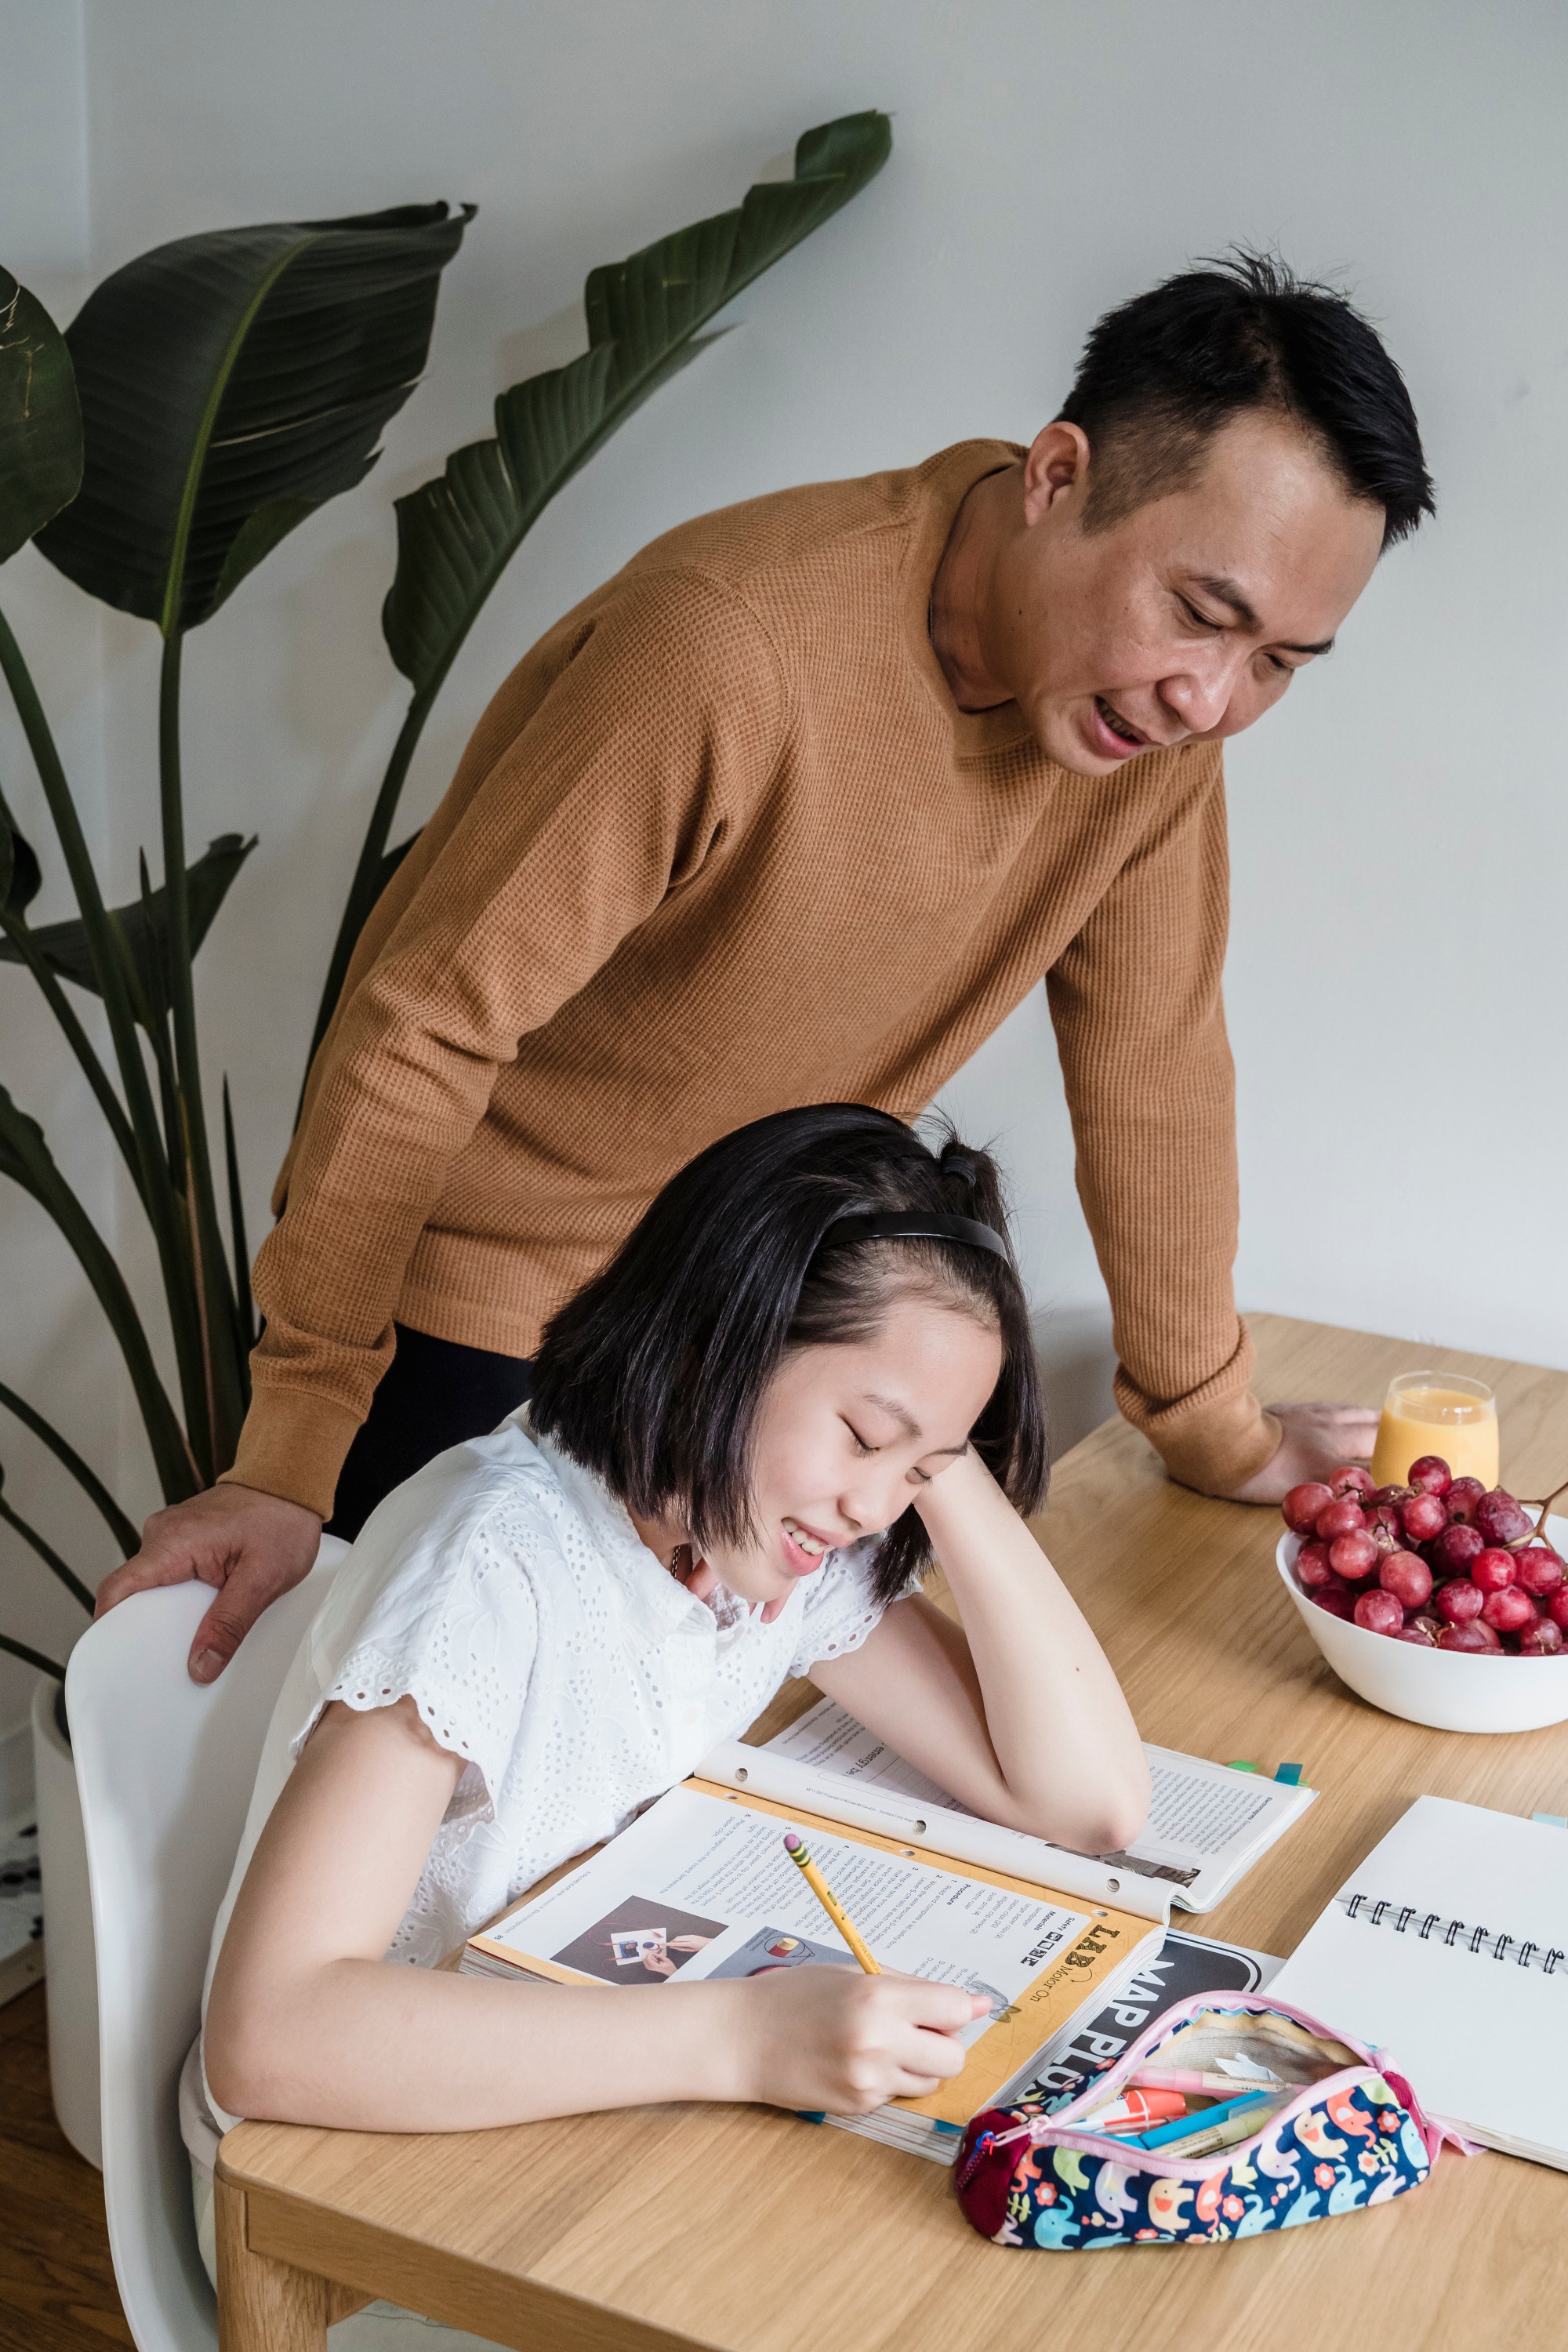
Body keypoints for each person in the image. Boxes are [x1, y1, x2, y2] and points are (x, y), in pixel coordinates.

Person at [100, 252, 1436, 1682]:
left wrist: (1211, 1420)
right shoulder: (727, 645)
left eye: (1282, 663)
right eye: (1201, 613)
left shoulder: (1149, 733)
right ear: (1058, 475)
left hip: (747, 1332)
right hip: (478, 1326)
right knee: (435, 1829)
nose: (1215, 700)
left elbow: (1154, 1065)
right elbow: (426, 1027)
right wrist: (294, 1449)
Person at [181, 1105, 1149, 2296]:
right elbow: (270, 2039)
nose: (872, 1511)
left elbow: (1088, 1804)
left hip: (572, 2129)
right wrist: (743, 2039)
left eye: (918, 1475)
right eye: (860, 1437)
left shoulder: (756, 1540)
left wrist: (938, 1451)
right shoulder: (491, 1565)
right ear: (713, 1343)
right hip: (349, 2211)